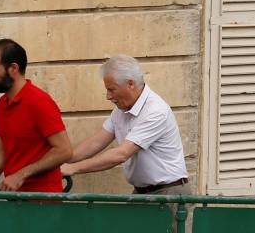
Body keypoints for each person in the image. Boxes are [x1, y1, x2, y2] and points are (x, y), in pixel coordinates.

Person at [61, 55, 189, 197]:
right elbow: (95, 142)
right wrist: (60, 161)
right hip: (142, 192)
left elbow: (121, 154)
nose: (108, 96)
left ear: (131, 84)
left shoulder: (155, 110)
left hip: (168, 193)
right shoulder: (122, 109)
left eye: (112, 89)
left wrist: (72, 168)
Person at [0, 39, 73, 193]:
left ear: (13, 68)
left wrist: (21, 175)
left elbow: (64, 151)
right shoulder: (3, 104)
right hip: (15, 200)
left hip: (43, 203)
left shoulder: (39, 101)